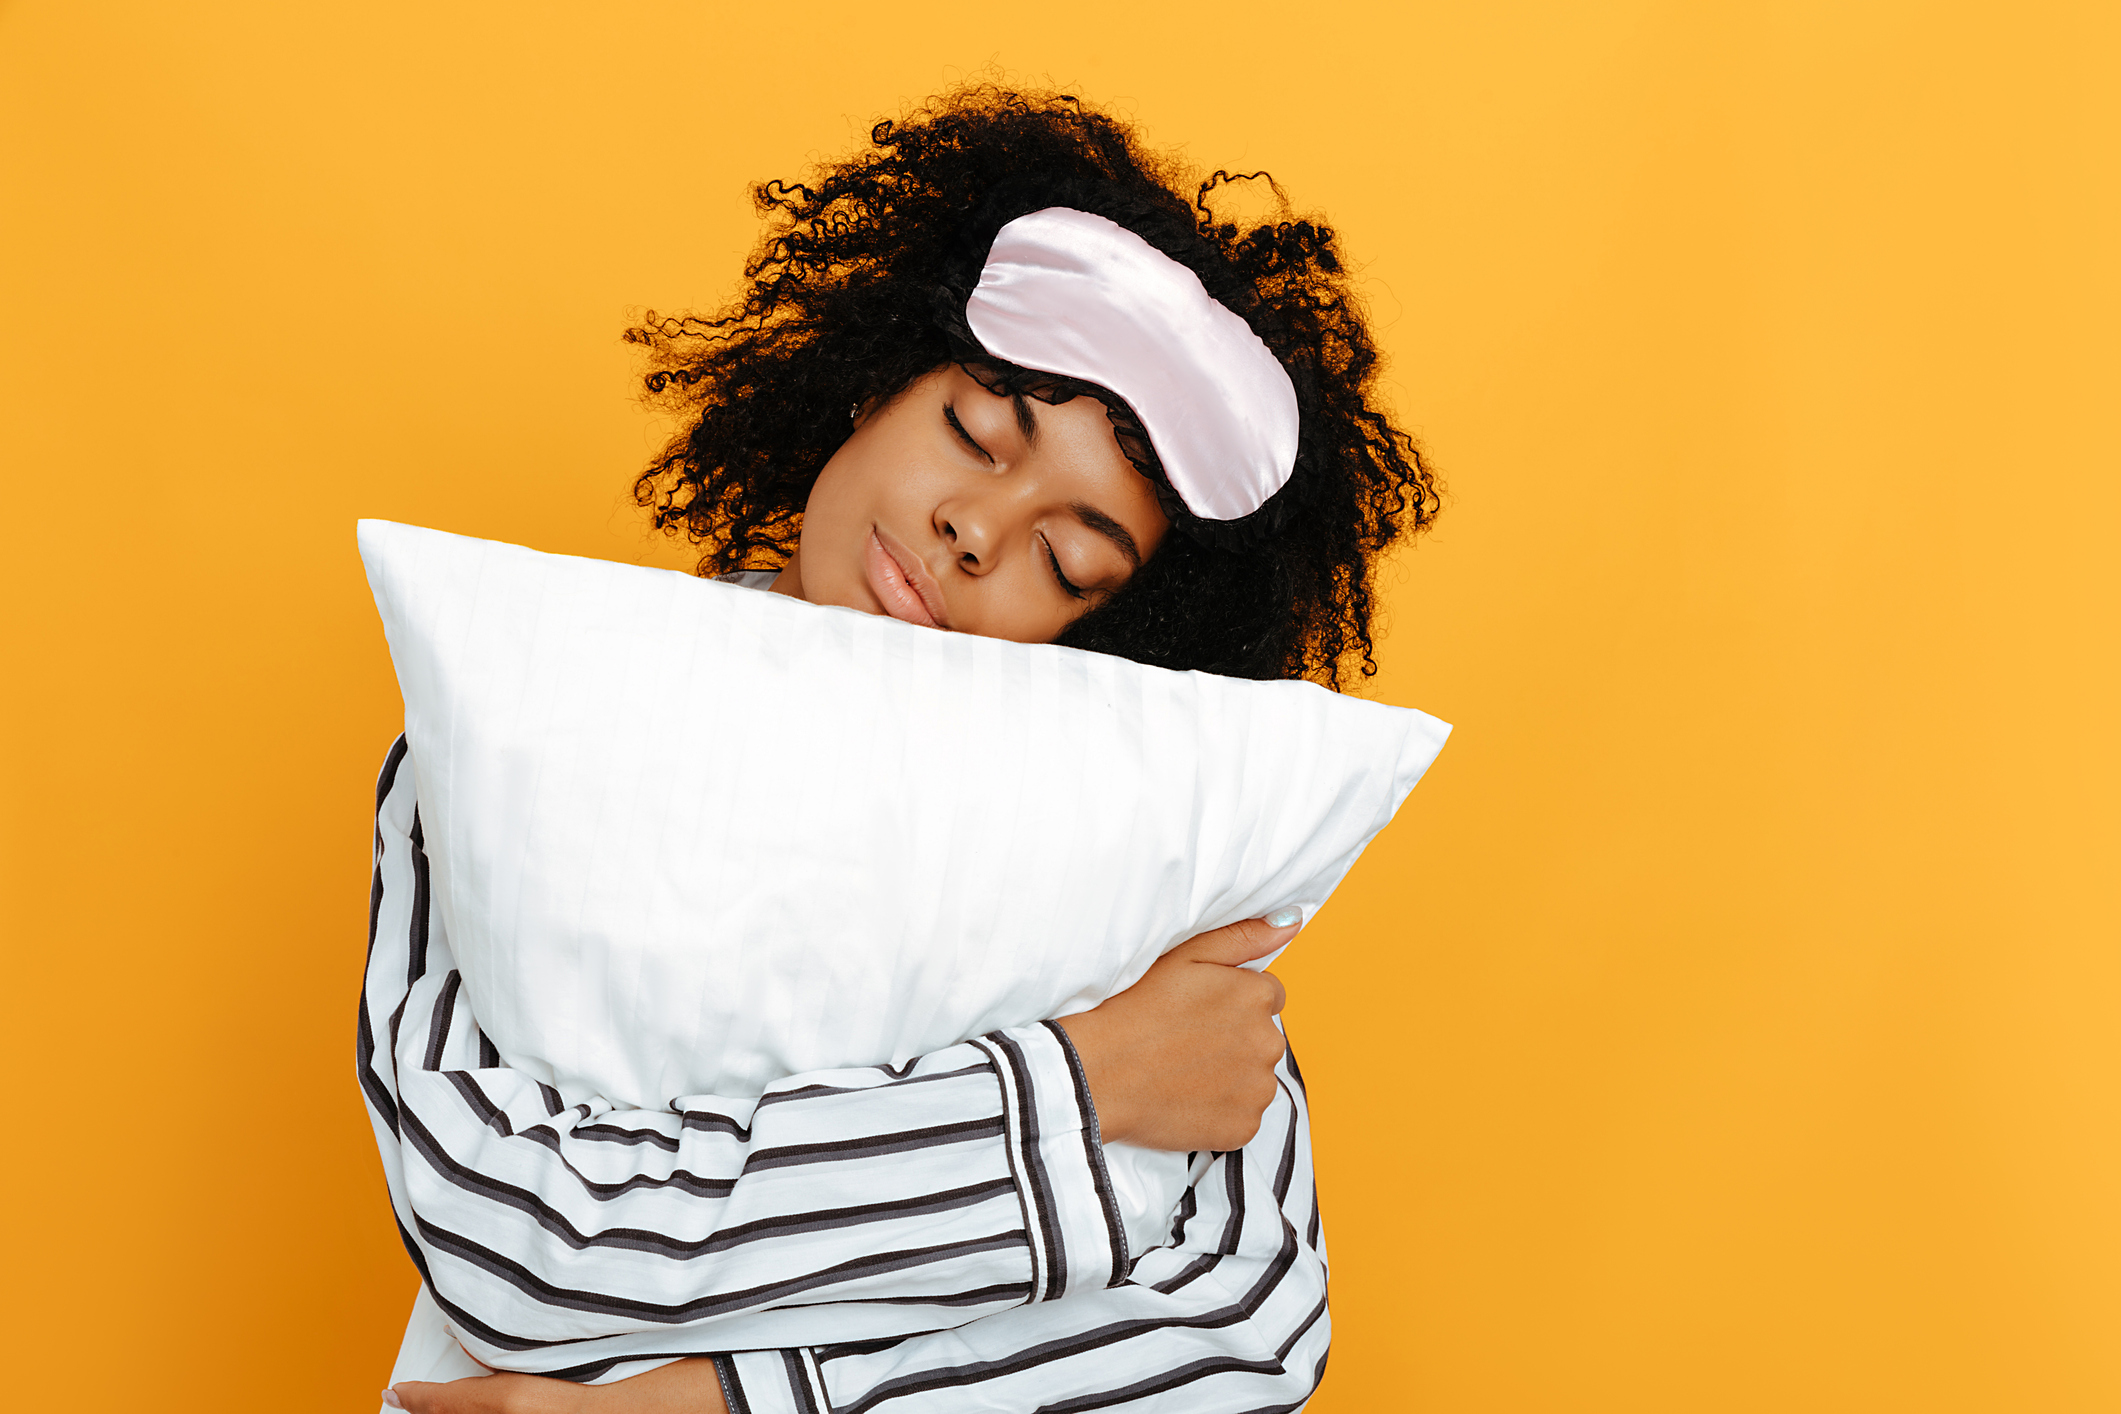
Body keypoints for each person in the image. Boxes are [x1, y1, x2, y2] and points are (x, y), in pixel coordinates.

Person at [366, 85, 1438, 1413]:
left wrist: (713, 1399)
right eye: (977, 434)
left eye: (1068, 556)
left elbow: (1239, 1328)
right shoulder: (536, 708)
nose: (977, 529)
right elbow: (518, 1237)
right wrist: (1074, 1087)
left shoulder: (1131, 826)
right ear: (875, 380)